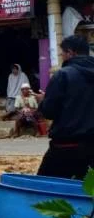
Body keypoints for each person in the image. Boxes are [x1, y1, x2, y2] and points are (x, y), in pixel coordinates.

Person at [36, 35, 94, 179]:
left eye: (62, 53)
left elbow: (49, 111)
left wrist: (43, 100)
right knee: (87, 192)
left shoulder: (63, 75)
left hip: (66, 145)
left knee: (46, 189)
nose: (62, 57)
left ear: (70, 52)